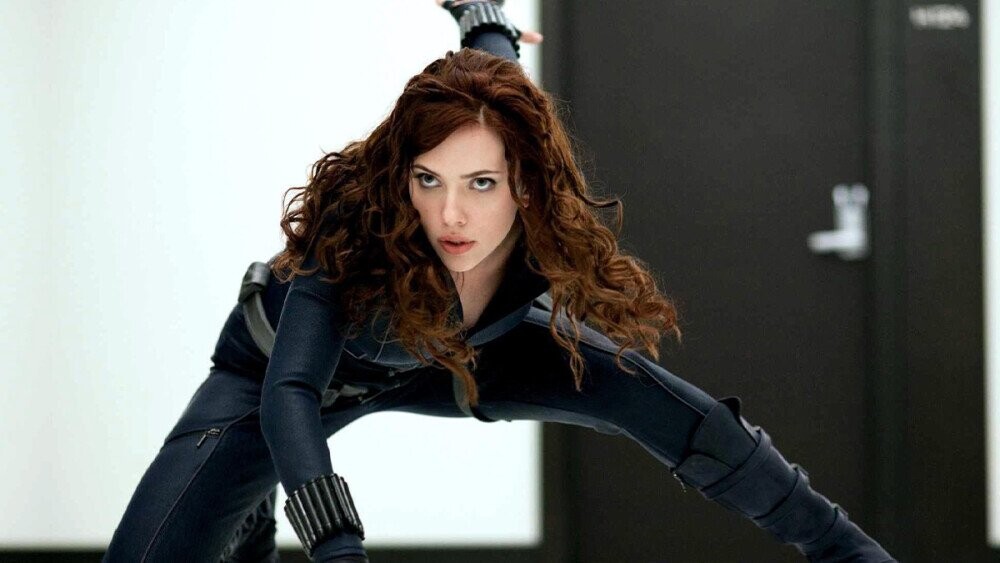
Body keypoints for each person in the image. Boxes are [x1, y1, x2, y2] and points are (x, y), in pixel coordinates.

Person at [103, 1, 896, 562]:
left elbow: (490, 42)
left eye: (482, 184)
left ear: (524, 178)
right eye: (428, 179)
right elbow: (291, 394)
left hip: (459, 358)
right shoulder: (358, 224)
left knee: (639, 388)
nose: (452, 215)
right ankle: (249, 513)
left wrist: (479, 7)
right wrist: (339, 547)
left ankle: (850, 551)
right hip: (276, 375)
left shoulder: (515, 143)